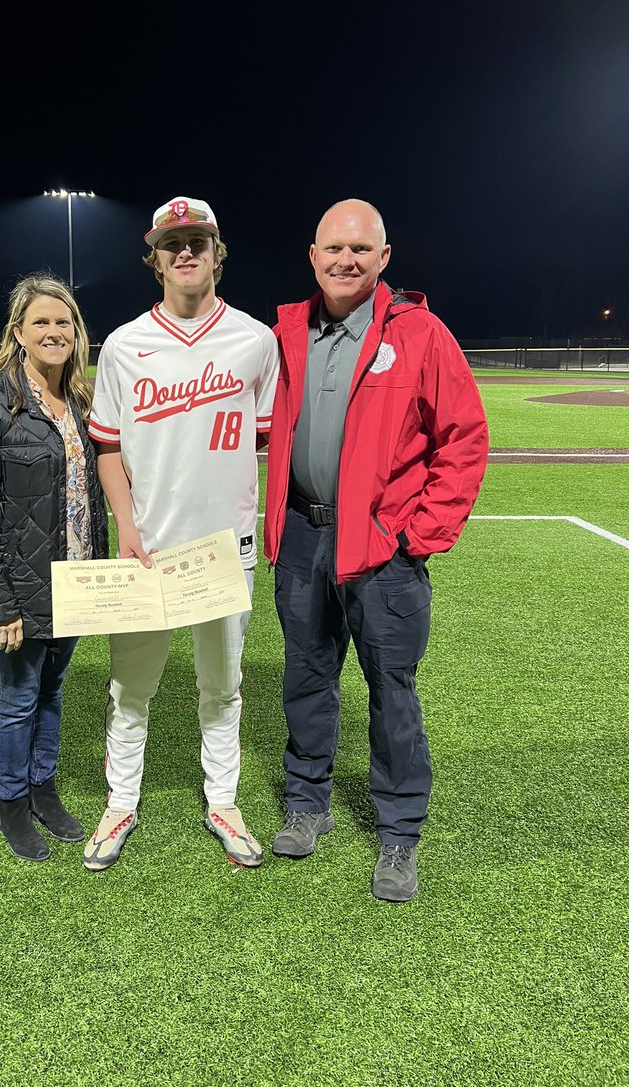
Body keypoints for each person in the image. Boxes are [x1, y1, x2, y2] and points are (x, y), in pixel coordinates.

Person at [263, 199, 489, 901]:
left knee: (392, 691)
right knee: (306, 675)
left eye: (361, 249)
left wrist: (421, 535)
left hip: (384, 547)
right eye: (334, 248)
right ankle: (308, 801)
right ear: (313, 255)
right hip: (303, 534)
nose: (346, 260)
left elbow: (465, 438)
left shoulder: (420, 334)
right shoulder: (287, 331)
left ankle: (399, 835)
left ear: (384, 257)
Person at [83, 196, 280, 871]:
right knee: (130, 691)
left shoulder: (255, 340)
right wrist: (126, 528)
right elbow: (107, 448)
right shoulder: (126, 346)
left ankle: (222, 801)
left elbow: (266, 447)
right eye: (173, 244)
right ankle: (120, 803)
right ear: (156, 259)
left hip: (226, 553)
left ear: (218, 254)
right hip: (149, 551)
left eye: (199, 240)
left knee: (221, 689)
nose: (186, 251)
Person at [0, 274, 108, 863]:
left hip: (72, 579)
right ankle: (12, 804)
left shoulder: (83, 403)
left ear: (76, 334)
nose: (53, 331)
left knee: (52, 691)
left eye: (63, 322)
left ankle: (44, 789)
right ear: (18, 333)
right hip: (14, 589)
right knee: (17, 696)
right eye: (41, 321)